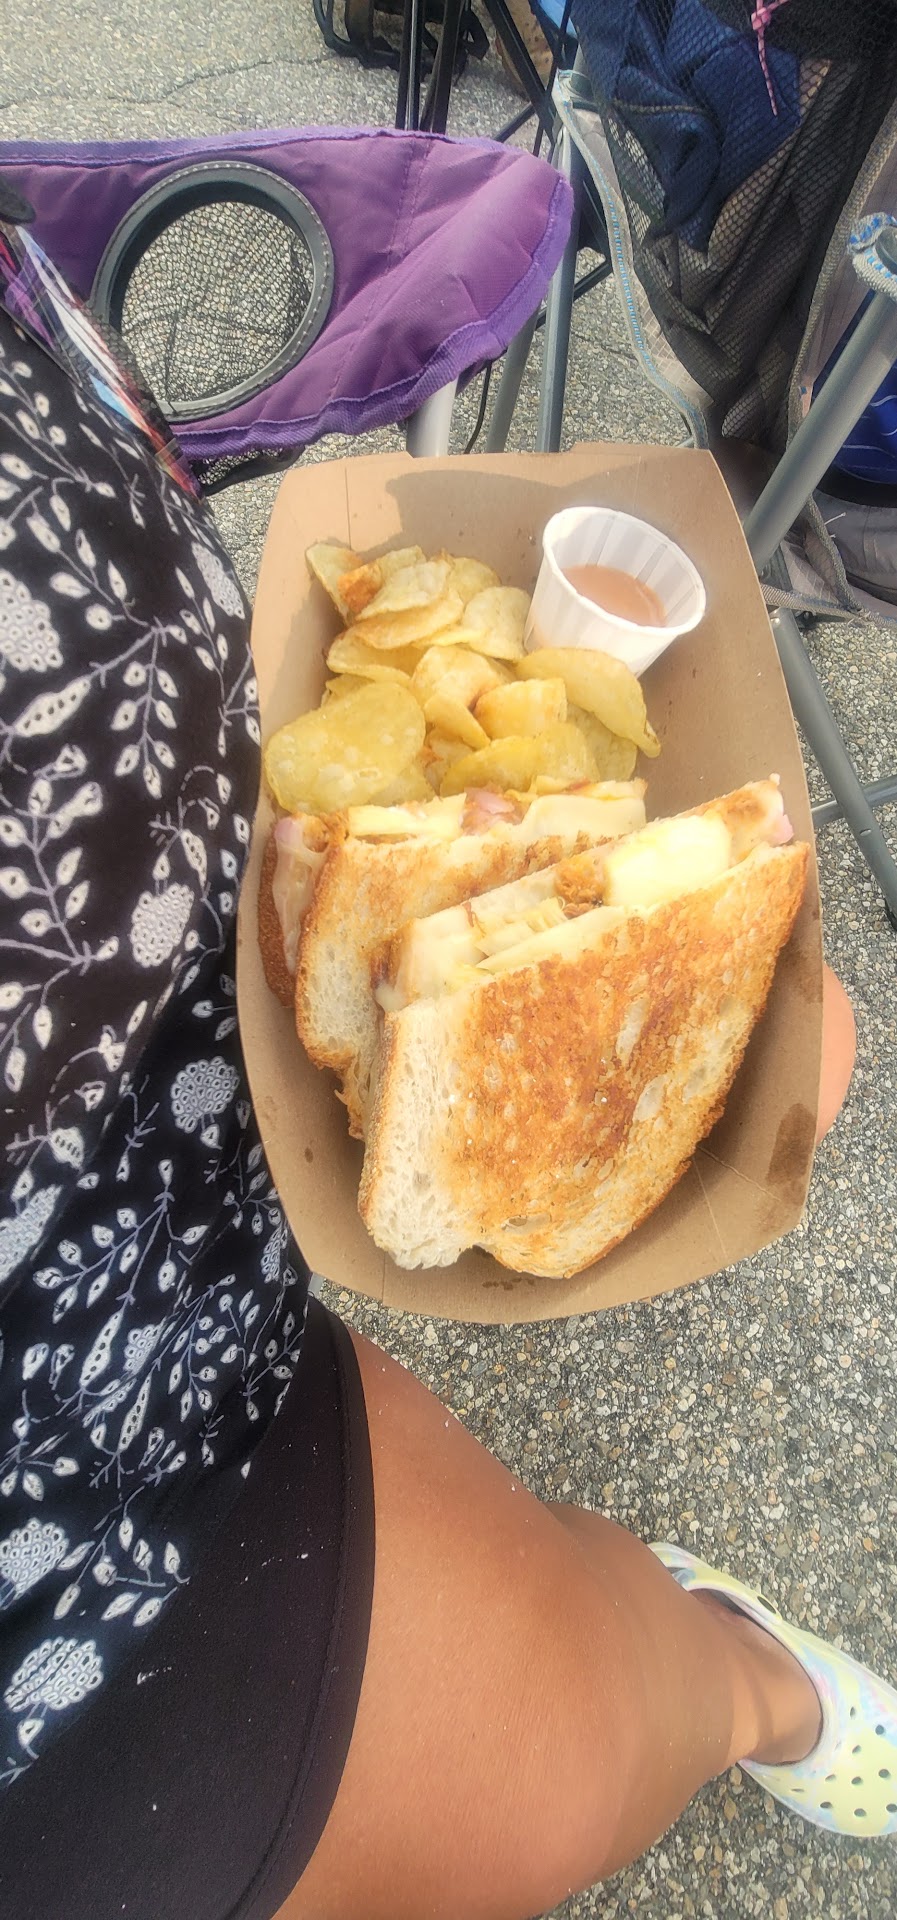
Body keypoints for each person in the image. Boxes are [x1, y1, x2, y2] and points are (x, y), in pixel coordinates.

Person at [0, 190, 891, 1920]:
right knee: (562, 1774)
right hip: (72, 1529)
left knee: (623, 1708)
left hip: (187, 1216)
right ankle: (729, 1684)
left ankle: (732, 1678)